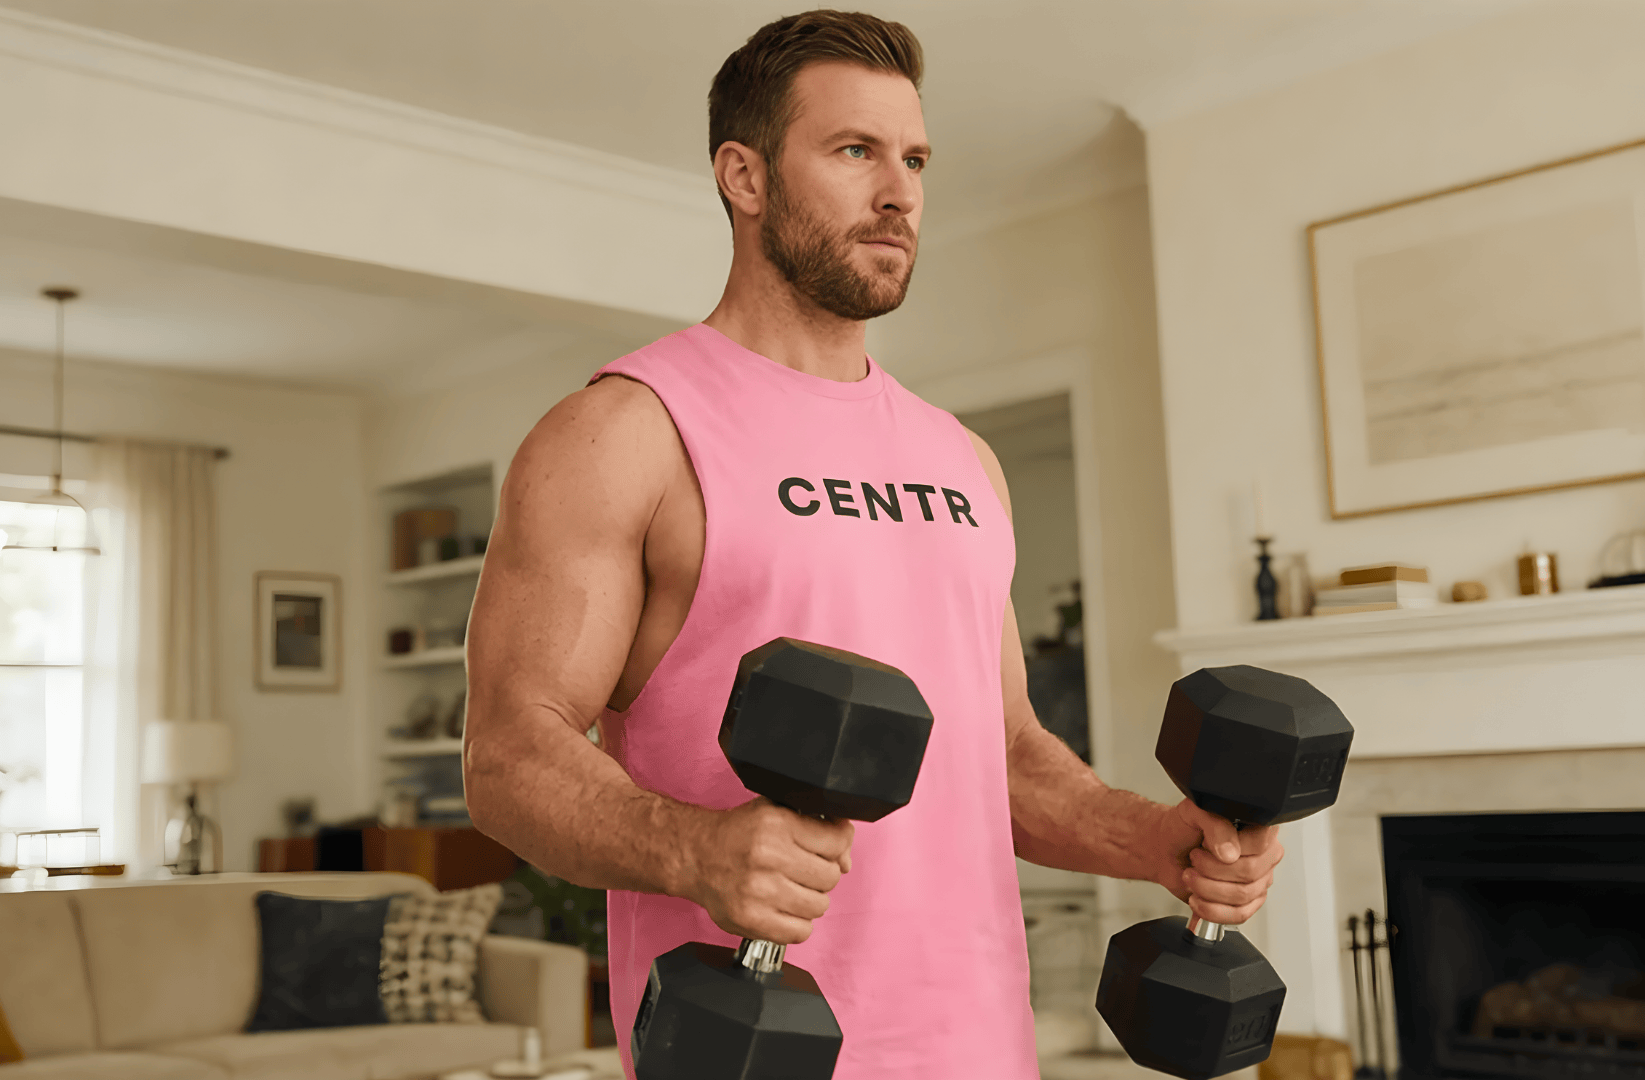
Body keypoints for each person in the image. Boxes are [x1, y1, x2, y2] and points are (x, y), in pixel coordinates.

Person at [463, 10, 1284, 1078]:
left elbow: (1002, 752)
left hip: (983, 1049)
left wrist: (1152, 840)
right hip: (751, 1055)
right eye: (854, 151)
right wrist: (692, 850)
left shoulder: (961, 462)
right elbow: (507, 755)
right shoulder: (627, 433)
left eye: (915, 159)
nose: (899, 192)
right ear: (744, 177)